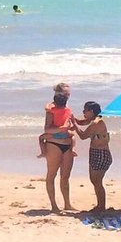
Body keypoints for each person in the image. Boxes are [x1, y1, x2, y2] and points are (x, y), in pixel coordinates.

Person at [39, 82, 76, 213]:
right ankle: (54, 205)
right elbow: (47, 128)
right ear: (58, 94)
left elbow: (72, 125)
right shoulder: (51, 109)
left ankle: (67, 204)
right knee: (51, 175)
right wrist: (62, 129)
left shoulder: (67, 108)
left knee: (65, 176)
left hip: (67, 144)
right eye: (65, 93)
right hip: (54, 144)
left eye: (68, 93)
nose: (68, 95)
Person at [72, 101, 112, 213]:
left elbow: (83, 136)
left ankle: (102, 207)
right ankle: (100, 205)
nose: (83, 112)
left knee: (97, 182)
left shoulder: (96, 123)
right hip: (96, 154)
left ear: (91, 111)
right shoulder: (93, 120)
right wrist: (72, 118)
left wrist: (74, 126)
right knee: (95, 181)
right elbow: (82, 121)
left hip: (101, 155)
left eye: (85, 110)